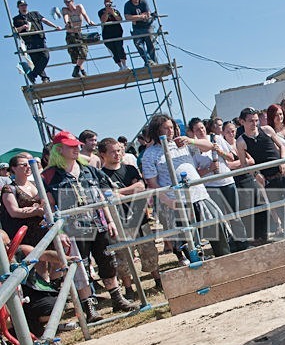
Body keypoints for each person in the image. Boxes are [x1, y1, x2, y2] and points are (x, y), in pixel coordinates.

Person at [42, 131, 137, 316]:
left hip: (98, 222)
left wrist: (110, 220)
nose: (76, 149)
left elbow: (102, 196)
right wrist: (58, 231)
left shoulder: (89, 169)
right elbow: (48, 207)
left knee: (107, 260)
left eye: (76, 145)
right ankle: (89, 308)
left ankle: (117, 299)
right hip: (72, 228)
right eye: (70, 146)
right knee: (80, 266)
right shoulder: (49, 176)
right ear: (59, 149)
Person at [141, 115, 232, 258]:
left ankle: (226, 260)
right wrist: (170, 203)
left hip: (200, 195)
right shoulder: (150, 154)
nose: (170, 131)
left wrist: (191, 140)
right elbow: (153, 184)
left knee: (218, 231)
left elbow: (210, 146)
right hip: (178, 202)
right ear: (157, 130)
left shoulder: (183, 144)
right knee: (190, 243)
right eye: (166, 128)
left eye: (172, 127)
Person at [98, 138, 161, 295]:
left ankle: (158, 280)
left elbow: (140, 187)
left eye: (118, 150)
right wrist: (128, 190)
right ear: (102, 154)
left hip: (139, 216)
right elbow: (107, 196)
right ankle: (129, 288)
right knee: (123, 257)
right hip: (119, 220)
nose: (117, 154)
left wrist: (119, 192)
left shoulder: (130, 169)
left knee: (149, 250)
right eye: (112, 151)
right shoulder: (101, 176)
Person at [187, 118, 249, 252]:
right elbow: (195, 173)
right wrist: (209, 168)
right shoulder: (193, 149)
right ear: (193, 132)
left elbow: (232, 157)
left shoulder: (216, 138)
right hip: (211, 186)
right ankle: (229, 242)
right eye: (197, 129)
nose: (201, 131)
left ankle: (242, 241)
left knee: (234, 214)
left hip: (227, 181)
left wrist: (220, 152)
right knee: (220, 217)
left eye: (202, 127)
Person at [235, 107, 285, 237]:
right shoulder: (241, 142)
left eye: (256, 120)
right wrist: (256, 174)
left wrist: (283, 161)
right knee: (279, 209)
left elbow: (281, 147)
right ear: (242, 122)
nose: (254, 123)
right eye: (251, 120)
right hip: (268, 178)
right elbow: (244, 164)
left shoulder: (267, 130)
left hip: (283, 172)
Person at [12, 0, 61, 84]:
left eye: (25, 5)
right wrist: (23, 27)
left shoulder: (35, 14)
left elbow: (45, 21)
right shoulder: (16, 19)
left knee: (46, 57)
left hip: (40, 39)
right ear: (18, 7)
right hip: (30, 42)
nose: (24, 7)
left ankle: (33, 75)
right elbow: (15, 31)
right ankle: (45, 78)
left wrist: (55, 26)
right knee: (37, 61)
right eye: (22, 6)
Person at [62, 0, 95, 78]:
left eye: (68, 1)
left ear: (72, 1)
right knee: (75, 56)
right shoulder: (65, 9)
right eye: (65, 2)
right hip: (70, 34)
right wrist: (67, 23)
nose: (67, 4)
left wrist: (89, 21)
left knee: (83, 52)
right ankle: (82, 71)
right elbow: (65, 16)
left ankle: (77, 69)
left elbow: (84, 14)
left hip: (79, 33)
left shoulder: (79, 7)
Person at [124, 0, 157, 66]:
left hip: (147, 26)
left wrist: (134, 18)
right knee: (138, 45)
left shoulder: (143, 2)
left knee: (150, 45)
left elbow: (147, 14)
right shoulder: (128, 5)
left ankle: (154, 62)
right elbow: (127, 17)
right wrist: (141, 16)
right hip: (137, 28)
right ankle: (148, 61)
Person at [98, 0, 128, 71]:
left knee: (119, 47)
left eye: (110, 2)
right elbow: (103, 20)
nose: (108, 3)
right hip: (107, 34)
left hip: (117, 32)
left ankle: (124, 65)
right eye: (106, 1)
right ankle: (120, 66)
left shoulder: (116, 11)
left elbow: (120, 19)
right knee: (113, 50)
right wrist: (107, 12)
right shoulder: (101, 11)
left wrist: (113, 13)